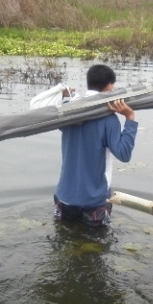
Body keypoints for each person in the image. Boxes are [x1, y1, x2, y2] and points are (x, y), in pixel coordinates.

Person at [53, 64, 137, 227]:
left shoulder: (67, 112)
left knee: (63, 245)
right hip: (94, 202)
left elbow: (60, 120)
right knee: (95, 250)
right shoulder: (108, 119)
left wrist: (66, 98)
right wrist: (130, 117)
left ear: (89, 83)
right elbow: (124, 154)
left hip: (64, 198)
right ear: (109, 88)